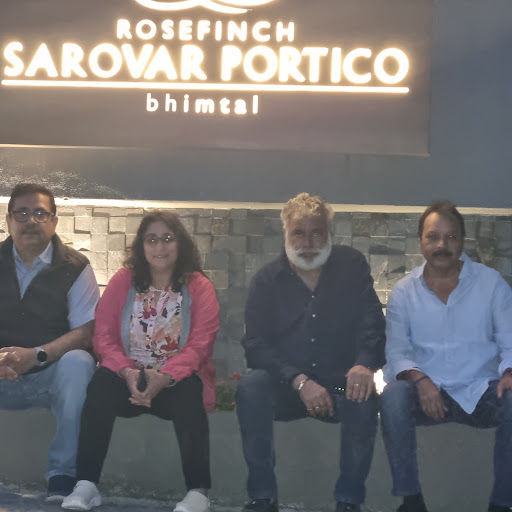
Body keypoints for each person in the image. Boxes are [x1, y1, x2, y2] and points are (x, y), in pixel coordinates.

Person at [235, 193, 386, 512]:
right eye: (298, 233)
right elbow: (255, 345)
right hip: (287, 387)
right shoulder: (267, 280)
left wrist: (364, 365)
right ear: (286, 234)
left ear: (329, 234)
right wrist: (299, 380)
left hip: (341, 384)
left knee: (364, 395)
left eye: (317, 232)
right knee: (251, 387)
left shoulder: (352, 265)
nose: (308, 242)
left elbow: (372, 319)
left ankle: (349, 501)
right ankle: (263, 497)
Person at [62, 211, 220, 512]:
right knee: (100, 384)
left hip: (174, 382)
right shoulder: (124, 281)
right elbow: (103, 336)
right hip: (129, 380)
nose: (159, 247)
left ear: (180, 243)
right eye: (151, 240)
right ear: (141, 245)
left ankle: (198, 493)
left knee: (191, 390)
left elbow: (200, 345)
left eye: (167, 239)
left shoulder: (199, 286)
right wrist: (127, 372)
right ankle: (86, 485)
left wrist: (165, 377)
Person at [381, 200, 512, 512]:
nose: (442, 245)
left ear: (462, 241)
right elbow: (396, 353)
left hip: (481, 392)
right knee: (393, 396)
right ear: (421, 242)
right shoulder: (403, 291)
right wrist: (420, 379)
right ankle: (411, 500)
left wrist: (509, 373)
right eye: (433, 237)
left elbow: (510, 341)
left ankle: (502, 504)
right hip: (426, 396)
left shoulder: (490, 283)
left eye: (451, 237)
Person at [0, 183, 100, 501]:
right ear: (8, 220)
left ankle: (63, 475)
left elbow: (86, 331)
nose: (31, 220)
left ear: (54, 221)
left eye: (40, 213)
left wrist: (37, 355)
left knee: (80, 361)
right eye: (21, 213)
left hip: (50, 376)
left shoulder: (76, 267)